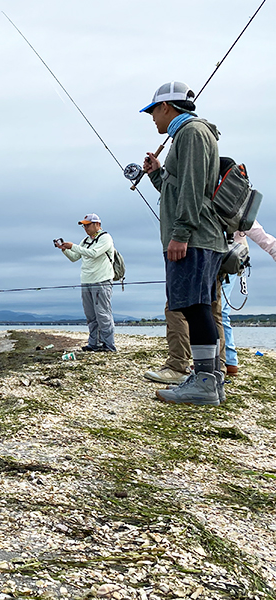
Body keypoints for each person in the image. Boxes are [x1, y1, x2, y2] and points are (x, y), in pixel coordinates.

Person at [140, 81, 226, 406]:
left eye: (152, 112)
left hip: (196, 237)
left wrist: (181, 234)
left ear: (166, 107)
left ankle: (205, 383)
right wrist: (157, 174)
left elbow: (191, 189)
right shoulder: (189, 135)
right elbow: (178, 190)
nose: (152, 119)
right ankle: (210, 380)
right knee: (197, 306)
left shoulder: (190, 132)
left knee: (195, 307)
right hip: (201, 236)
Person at [55, 213, 117, 352]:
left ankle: (109, 345)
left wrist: (73, 246)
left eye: (88, 225)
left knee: (103, 313)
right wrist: (64, 249)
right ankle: (93, 343)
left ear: (97, 225)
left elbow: (94, 253)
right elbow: (75, 257)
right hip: (86, 281)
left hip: (102, 281)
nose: (85, 228)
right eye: (84, 225)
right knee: (91, 315)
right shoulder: (85, 240)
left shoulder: (105, 238)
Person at [222, 220, 276, 375]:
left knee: (219, 311)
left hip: (229, 258)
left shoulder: (235, 203)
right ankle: (226, 360)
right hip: (225, 257)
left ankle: (228, 361)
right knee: (217, 310)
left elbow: (258, 232)